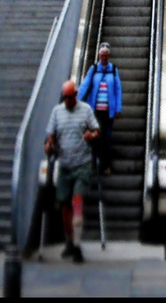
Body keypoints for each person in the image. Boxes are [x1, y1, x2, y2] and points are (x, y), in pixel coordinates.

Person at [44, 79, 99, 262]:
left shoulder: (85, 110)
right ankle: (69, 241)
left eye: (69, 96)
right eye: (64, 97)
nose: (66, 100)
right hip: (65, 165)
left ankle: (76, 244)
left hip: (82, 164)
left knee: (77, 202)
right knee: (64, 205)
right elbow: (51, 135)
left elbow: (96, 130)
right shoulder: (57, 112)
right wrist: (50, 144)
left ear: (75, 95)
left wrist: (91, 135)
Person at [77, 42, 122, 175]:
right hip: (95, 111)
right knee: (95, 138)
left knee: (106, 138)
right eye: (102, 55)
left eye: (106, 55)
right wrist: (76, 100)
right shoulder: (94, 69)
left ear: (109, 56)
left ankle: (105, 166)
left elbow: (118, 89)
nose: (104, 57)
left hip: (108, 111)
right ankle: (92, 165)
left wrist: (118, 108)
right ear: (99, 55)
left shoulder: (113, 70)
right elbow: (85, 85)